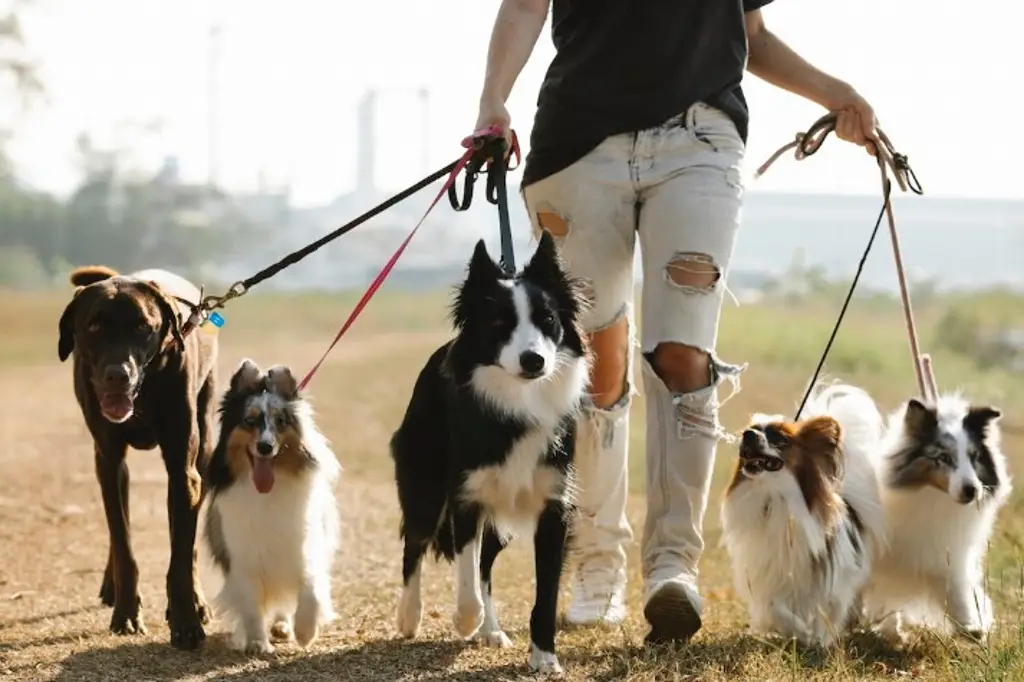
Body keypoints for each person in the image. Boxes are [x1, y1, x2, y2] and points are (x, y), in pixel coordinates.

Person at [473, 0, 879, 644]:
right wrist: (493, 101)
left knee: (685, 355)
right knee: (594, 364)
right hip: (578, 148)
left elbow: (752, 36)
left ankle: (673, 567)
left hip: (701, 141)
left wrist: (838, 93)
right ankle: (597, 565)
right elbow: (524, 4)